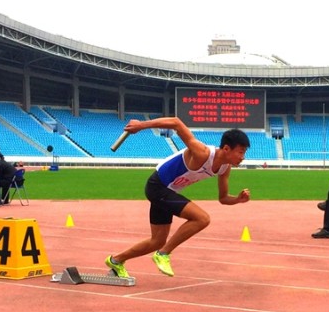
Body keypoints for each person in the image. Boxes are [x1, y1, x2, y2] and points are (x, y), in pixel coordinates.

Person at [105, 117, 250, 278]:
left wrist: (237, 199)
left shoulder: (225, 168)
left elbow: (223, 198)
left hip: (167, 192)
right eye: (241, 151)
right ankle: (163, 254)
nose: (243, 157)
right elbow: (176, 122)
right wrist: (141, 126)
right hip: (158, 186)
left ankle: (116, 261)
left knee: (157, 241)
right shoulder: (202, 152)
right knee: (202, 218)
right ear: (227, 149)